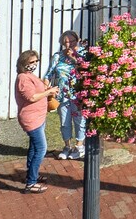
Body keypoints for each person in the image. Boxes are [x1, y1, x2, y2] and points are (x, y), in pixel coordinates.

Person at [15, 50, 57, 192]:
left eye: (36, 61)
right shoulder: (23, 78)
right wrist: (48, 92)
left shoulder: (30, 75)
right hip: (31, 119)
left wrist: (47, 89)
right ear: (23, 63)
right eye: (31, 62)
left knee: (33, 148)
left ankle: (31, 175)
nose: (34, 64)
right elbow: (31, 97)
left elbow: (37, 91)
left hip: (39, 117)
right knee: (41, 149)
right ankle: (31, 183)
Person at [48, 32, 84, 161]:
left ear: (77, 40)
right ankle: (67, 146)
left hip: (78, 94)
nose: (69, 44)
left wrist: (74, 58)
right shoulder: (58, 56)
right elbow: (49, 74)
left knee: (79, 121)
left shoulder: (83, 54)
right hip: (63, 95)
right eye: (66, 42)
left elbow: (86, 70)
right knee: (64, 122)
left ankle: (79, 146)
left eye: (72, 41)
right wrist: (47, 87)